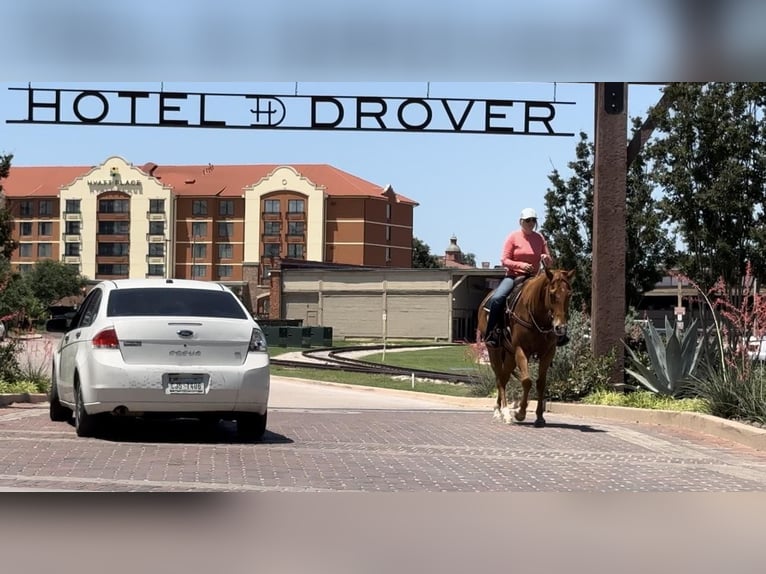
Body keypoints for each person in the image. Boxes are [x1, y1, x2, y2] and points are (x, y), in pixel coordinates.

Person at [484, 207, 567, 347]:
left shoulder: (539, 238)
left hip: (535, 277)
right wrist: (521, 266)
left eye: (533, 220)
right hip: (513, 277)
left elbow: (549, 260)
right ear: (521, 222)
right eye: (528, 220)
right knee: (498, 298)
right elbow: (504, 260)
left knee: (557, 296)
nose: (531, 223)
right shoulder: (513, 237)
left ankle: (559, 333)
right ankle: (492, 332)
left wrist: (546, 258)